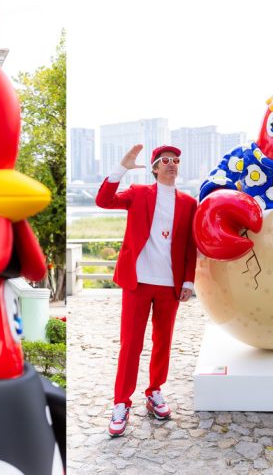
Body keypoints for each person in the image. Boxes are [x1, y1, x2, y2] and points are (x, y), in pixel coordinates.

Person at [95, 144, 197, 438]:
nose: (172, 164)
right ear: (154, 167)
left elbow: (190, 245)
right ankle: (121, 402)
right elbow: (104, 200)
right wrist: (122, 167)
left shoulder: (189, 203)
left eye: (176, 160)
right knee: (131, 344)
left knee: (163, 341)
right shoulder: (139, 193)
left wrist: (188, 281)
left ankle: (154, 392)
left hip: (170, 284)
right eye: (166, 160)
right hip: (138, 281)